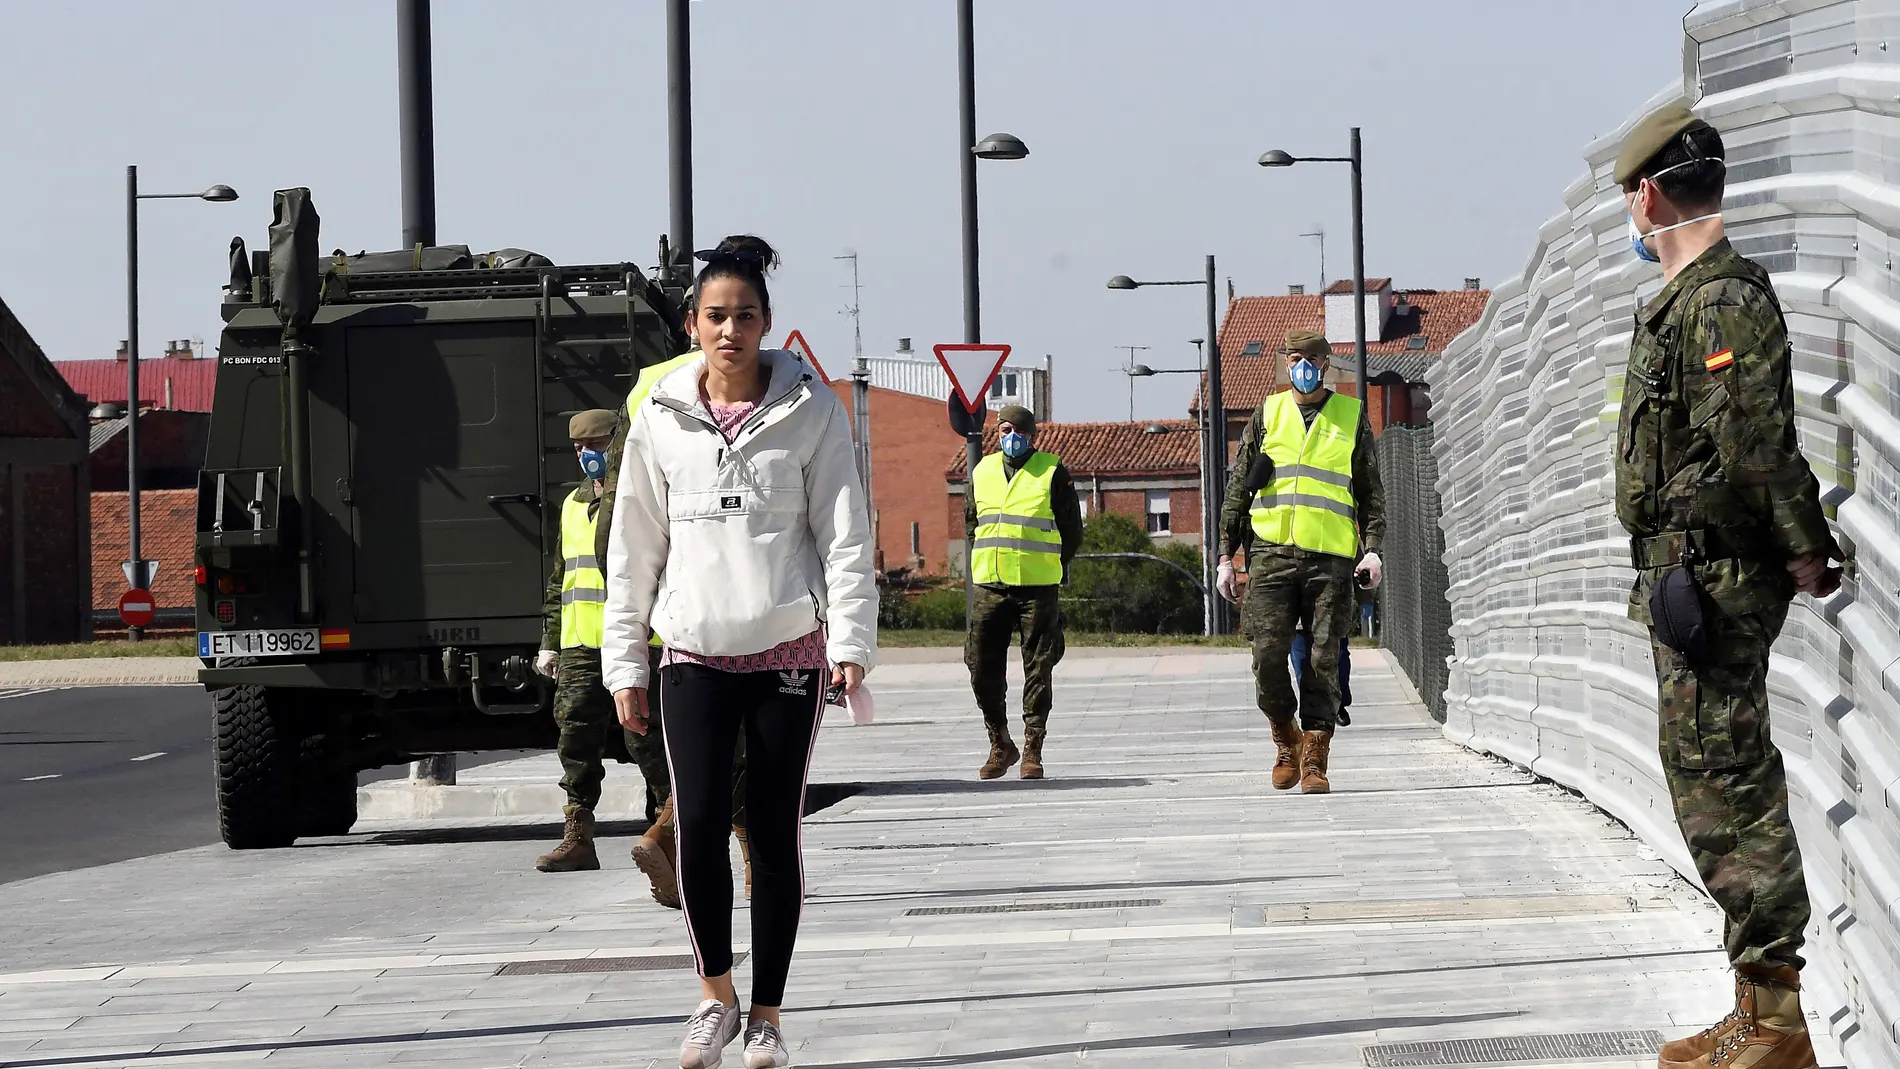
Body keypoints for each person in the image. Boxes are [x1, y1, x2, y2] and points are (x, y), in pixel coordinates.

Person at [603, 235, 876, 1069]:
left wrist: (852, 639)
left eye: (745, 316)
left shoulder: (811, 409)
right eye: (715, 316)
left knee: (774, 830)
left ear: (767, 323)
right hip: (690, 652)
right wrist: (625, 660)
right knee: (700, 826)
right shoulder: (660, 418)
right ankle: (715, 994)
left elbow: (845, 534)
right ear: (693, 324)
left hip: (786, 651)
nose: (730, 331)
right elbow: (633, 547)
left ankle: (767, 1015)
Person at [1612, 103, 1845, 1069]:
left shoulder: (1719, 300)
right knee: (1709, 785)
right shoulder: (1685, 300)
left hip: (1716, 580)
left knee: (1731, 788)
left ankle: (1778, 1023)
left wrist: (1803, 542)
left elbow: (1754, 444)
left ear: (1648, 193)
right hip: (1687, 576)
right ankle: (1754, 1007)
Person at [1216, 329, 1384, 794]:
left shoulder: (1350, 416)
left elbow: (1370, 489)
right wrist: (1225, 556)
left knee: (1323, 658)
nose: (1303, 366)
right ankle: (1284, 734)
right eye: (1295, 358)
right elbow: (1239, 487)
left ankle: (1314, 755)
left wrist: (1372, 548)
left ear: (1326, 364)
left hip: (1330, 559)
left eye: (1311, 358)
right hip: (1269, 554)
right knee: (1267, 658)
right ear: (1284, 363)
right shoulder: (1268, 413)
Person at [532, 410, 677, 912]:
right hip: (580, 648)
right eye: (579, 448)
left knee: (647, 740)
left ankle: (668, 834)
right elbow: (561, 580)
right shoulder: (573, 505)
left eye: (597, 444)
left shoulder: (641, 499)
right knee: (575, 739)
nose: (588, 454)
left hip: (640, 643)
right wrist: (549, 640)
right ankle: (579, 834)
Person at [962, 405, 1084, 780]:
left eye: (1016, 430)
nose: (1009, 436)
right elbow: (972, 523)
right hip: (990, 586)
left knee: (1039, 667)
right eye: (1002, 430)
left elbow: (1071, 530)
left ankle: (1033, 748)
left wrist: (1052, 565)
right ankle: (1000, 743)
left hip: (1037, 588)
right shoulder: (981, 471)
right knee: (980, 666)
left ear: (1031, 434)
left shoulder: (1051, 470)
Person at [1289, 624, 1351, 726]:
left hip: (1331, 621)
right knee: (1302, 665)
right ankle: (1311, 710)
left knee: (1338, 662)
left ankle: (1337, 705)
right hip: (1298, 624)